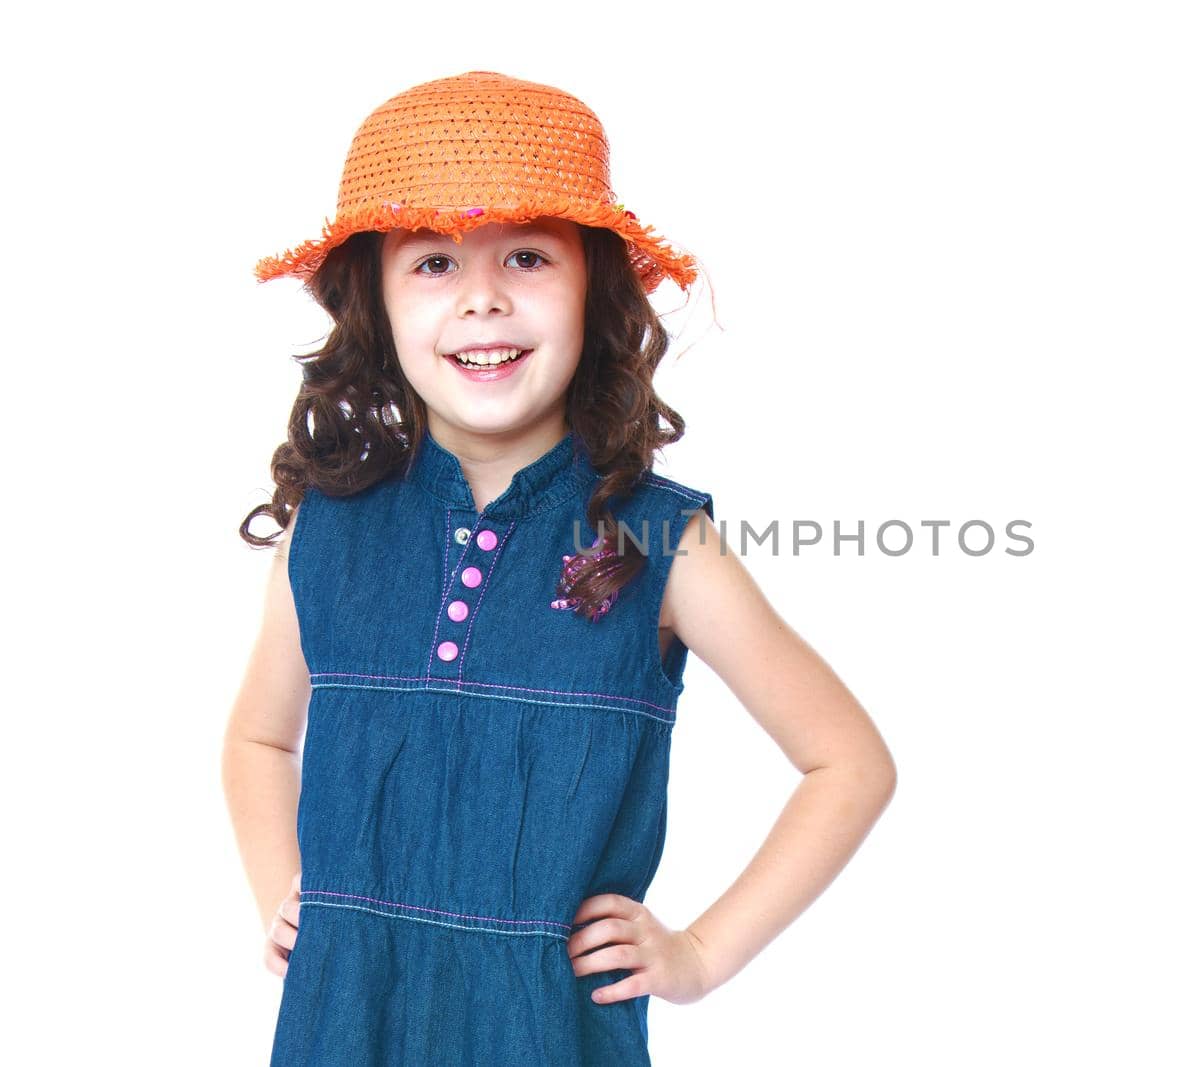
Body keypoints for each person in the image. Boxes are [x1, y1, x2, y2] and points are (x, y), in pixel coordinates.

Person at [220, 70, 897, 1065]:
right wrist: (286, 885)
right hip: (342, 1018)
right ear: (373, 298)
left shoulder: (660, 544)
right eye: (433, 262)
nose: (483, 296)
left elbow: (848, 762)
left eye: (528, 256)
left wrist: (700, 953)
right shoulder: (327, 529)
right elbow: (257, 739)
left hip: (547, 1031)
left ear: (597, 289)